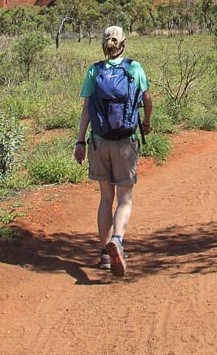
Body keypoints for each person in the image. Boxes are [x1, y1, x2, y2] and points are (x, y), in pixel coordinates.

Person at [74, 24, 151, 277]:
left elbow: (86, 109)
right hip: (125, 141)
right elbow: (147, 99)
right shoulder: (134, 67)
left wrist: (80, 142)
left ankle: (105, 255)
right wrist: (147, 122)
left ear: (103, 45)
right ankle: (117, 240)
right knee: (125, 198)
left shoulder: (94, 70)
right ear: (123, 44)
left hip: (99, 141)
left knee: (105, 198)